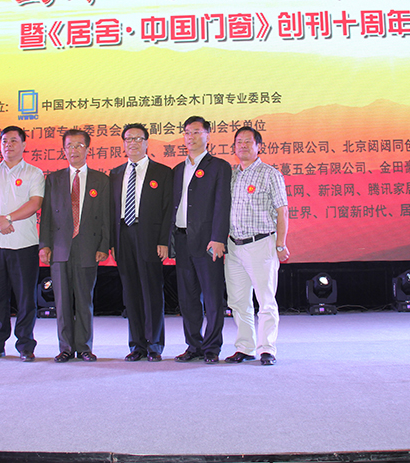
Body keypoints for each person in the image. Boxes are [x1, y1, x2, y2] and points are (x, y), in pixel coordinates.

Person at [0, 126, 45, 362]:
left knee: (26, 299)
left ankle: (25, 345)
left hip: (24, 244)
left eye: (14, 141)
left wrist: (8, 219)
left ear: (24, 145)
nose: (8, 145)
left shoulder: (34, 173)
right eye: (4, 141)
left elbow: (35, 203)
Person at [39, 129, 110, 362]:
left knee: (84, 300)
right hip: (60, 248)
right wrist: (44, 245)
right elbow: (46, 216)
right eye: (69, 146)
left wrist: (104, 245)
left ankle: (85, 347)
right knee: (62, 302)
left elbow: (106, 217)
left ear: (88, 149)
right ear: (64, 150)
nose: (74, 150)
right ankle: (66, 348)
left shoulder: (101, 180)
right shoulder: (54, 179)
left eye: (79, 145)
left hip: (88, 247)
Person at [224, 126, 289, 366]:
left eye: (247, 142)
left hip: (261, 244)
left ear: (258, 146)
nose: (242, 146)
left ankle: (267, 349)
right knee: (238, 301)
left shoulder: (270, 174)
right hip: (233, 246)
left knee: (265, 300)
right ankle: (245, 347)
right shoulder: (231, 175)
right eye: (238, 142)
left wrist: (280, 244)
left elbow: (282, 212)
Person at [170, 116, 231, 364]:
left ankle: (211, 347)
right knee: (188, 298)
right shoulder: (177, 170)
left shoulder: (219, 167)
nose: (191, 137)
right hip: (182, 240)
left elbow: (222, 205)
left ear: (208, 136)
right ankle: (193, 345)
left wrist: (218, 238)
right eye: (187, 132)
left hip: (208, 243)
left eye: (196, 132)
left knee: (213, 298)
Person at [110, 124, 173, 362]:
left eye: (138, 138)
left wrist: (164, 240)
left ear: (147, 142)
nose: (133, 143)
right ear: (123, 144)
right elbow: (111, 211)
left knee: (152, 291)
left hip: (150, 238)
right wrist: (112, 242)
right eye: (128, 139)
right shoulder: (115, 173)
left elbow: (168, 210)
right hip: (123, 235)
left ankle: (154, 344)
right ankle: (137, 345)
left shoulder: (162, 172)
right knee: (131, 292)